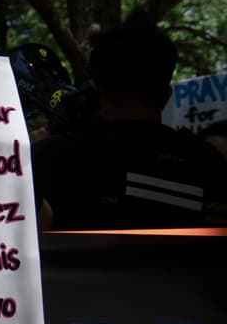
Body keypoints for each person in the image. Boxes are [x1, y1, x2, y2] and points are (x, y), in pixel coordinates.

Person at [31, 23, 227, 229]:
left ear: (97, 90)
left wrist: (22, 162)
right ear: (167, 95)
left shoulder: (47, 160)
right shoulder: (211, 165)